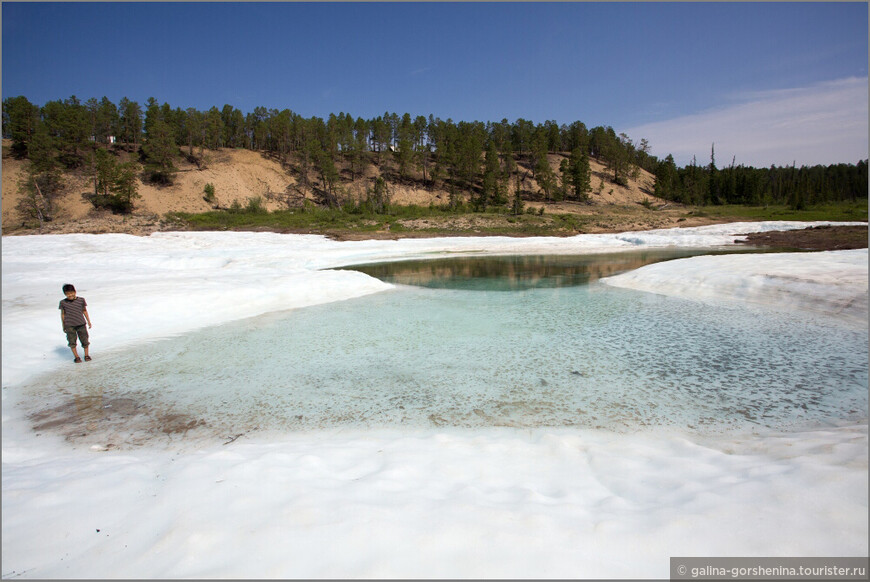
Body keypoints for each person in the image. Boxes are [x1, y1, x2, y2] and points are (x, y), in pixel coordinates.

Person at [59, 283, 92, 363]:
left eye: (71, 293)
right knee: (72, 341)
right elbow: (63, 314)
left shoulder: (81, 300)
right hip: (70, 325)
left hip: (81, 323)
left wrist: (88, 321)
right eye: (67, 294)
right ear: (65, 294)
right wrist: (63, 325)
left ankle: (86, 355)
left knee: (85, 340)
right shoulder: (63, 302)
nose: (69, 295)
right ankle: (76, 357)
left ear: (75, 292)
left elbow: (84, 310)